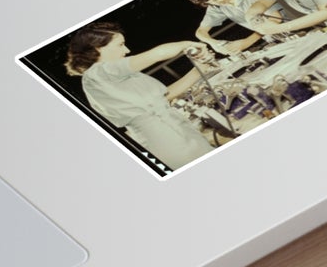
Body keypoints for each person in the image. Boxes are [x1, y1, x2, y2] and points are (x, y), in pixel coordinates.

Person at [65, 24, 215, 170]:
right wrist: (188, 44)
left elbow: (164, 96)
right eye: (120, 45)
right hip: (165, 141)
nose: (127, 50)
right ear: (98, 47)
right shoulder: (97, 74)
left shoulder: (117, 75)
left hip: (178, 128)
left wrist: (199, 70)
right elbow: (158, 54)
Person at [184, 0, 277, 56]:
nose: (218, 2)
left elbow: (275, 20)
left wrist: (247, 41)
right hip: (271, 39)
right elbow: (200, 32)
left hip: (287, 29)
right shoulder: (217, 6)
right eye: (211, 2)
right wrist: (214, 43)